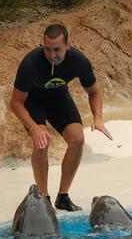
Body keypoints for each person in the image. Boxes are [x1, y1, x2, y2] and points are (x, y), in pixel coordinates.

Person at [10, 24, 112, 211]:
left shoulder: (78, 61)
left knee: (77, 139)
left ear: (67, 46)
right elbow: (16, 103)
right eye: (47, 49)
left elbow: (94, 92)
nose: (52, 54)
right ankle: (44, 198)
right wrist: (34, 127)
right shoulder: (31, 63)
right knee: (42, 142)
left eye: (57, 49)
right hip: (33, 101)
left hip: (58, 98)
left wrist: (98, 118)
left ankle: (63, 196)